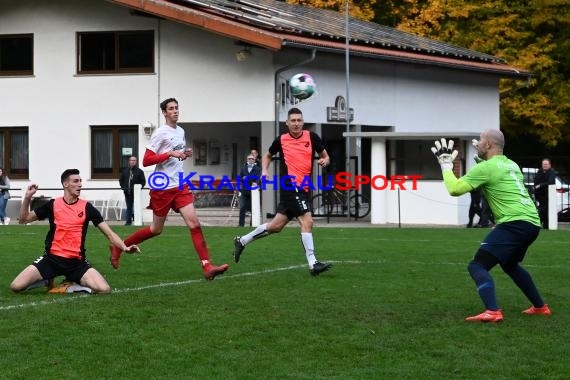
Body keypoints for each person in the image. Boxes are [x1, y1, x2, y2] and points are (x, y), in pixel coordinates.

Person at [430, 130, 550, 322]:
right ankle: (540, 307)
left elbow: (454, 189)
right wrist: (481, 159)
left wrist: (446, 166)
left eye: (480, 141)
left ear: (488, 145)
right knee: (510, 265)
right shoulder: (511, 164)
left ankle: (492, 311)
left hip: (514, 223)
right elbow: (494, 172)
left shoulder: (486, 168)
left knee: (477, 265)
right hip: (532, 224)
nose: (476, 144)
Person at [109, 97, 229, 280]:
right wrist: (169, 153)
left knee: (194, 224)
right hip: (162, 187)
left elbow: (175, 156)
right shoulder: (160, 133)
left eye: (177, 108)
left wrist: (183, 154)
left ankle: (207, 266)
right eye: (171, 109)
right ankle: (119, 246)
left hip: (180, 185)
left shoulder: (180, 131)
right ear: (164, 112)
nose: (175, 111)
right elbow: (146, 160)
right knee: (156, 229)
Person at [233, 107, 333, 276]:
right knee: (307, 221)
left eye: (299, 120)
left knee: (275, 226)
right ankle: (313, 263)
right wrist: (264, 170)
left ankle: (242, 241)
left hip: (304, 187)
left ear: (303, 122)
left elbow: (326, 156)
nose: (296, 123)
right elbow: (267, 155)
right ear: (287, 123)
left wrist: (325, 160)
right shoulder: (282, 140)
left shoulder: (312, 137)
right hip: (290, 185)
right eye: (292, 120)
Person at [10, 169, 140, 294]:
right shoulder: (53, 204)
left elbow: (110, 234)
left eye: (80, 181)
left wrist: (125, 248)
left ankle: (70, 284)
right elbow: (24, 219)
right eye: (76, 181)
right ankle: (46, 279)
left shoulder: (87, 207)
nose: (80, 184)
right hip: (51, 260)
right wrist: (27, 197)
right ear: (65, 184)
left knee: (104, 289)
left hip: (76, 263)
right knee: (16, 286)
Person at [119, 156, 146, 225]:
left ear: (136, 162)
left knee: (137, 207)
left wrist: (139, 188)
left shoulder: (139, 171)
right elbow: (121, 180)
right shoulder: (125, 171)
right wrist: (123, 188)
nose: (133, 161)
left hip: (136, 193)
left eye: (134, 160)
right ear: (129, 161)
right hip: (127, 192)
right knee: (129, 207)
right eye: (131, 160)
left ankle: (139, 221)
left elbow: (143, 182)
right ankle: (128, 222)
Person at [238, 154, 262, 227]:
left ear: (254, 160)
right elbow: (240, 179)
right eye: (249, 159)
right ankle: (241, 224)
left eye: (252, 159)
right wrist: (243, 179)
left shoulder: (258, 169)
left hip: (253, 191)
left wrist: (256, 182)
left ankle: (252, 224)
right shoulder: (243, 168)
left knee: (253, 209)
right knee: (242, 208)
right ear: (247, 160)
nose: (251, 160)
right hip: (244, 190)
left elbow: (258, 178)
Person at [533, 158, 556, 229]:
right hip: (539, 194)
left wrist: (540, 185)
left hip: (547, 194)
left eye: (546, 164)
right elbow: (536, 180)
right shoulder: (539, 171)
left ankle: (540, 223)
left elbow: (551, 182)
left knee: (544, 209)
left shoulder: (551, 172)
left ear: (549, 165)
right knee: (543, 209)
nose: (545, 165)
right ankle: (545, 225)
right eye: (543, 164)